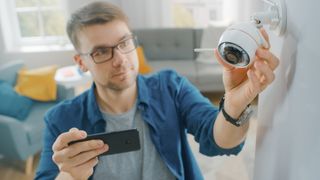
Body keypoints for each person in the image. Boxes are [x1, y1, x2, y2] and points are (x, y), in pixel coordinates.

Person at [35, 1, 279, 180]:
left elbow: (220, 141)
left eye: (124, 43)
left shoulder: (170, 87)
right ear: (81, 62)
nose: (120, 59)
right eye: (101, 51)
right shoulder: (61, 120)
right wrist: (69, 175)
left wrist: (235, 106)